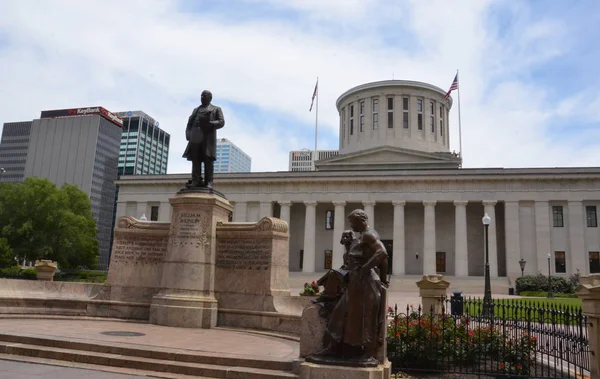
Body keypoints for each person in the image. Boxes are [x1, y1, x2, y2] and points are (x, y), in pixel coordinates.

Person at [319, 209, 388, 361]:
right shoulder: (360, 237)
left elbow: (382, 253)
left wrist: (365, 269)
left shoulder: (369, 235)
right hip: (355, 283)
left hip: (367, 283)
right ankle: (333, 347)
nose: (351, 225)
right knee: (339, 313)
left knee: (366, 318)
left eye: (352, 222)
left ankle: (368, 354)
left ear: (360, 220)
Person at [182, 90, 225, 188]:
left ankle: (208, 182)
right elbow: (190, 122)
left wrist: (211, 124)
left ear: (210, 98)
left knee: (208, 159)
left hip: (207, 137)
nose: (202, 97)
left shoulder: (216, 109)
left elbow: (221, 122)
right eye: (201, 95)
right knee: (195, 159)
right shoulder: (196, 110)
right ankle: (195, 180)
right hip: (195, 137)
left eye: (205, 96)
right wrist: (188, 134)